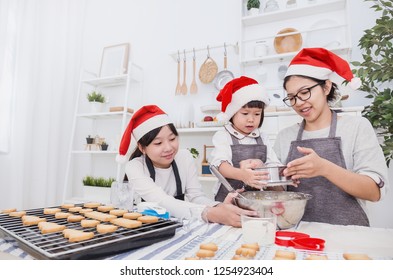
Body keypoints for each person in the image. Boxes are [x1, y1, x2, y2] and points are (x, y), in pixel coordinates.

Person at [273, 48, 389, 226]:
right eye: (291, 97)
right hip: (298, 235)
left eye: (305, 92)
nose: (298, 102)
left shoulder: (357, 127)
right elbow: (279, 193)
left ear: (326, 87)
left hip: (348, 236)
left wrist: (324, 168)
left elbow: (374, 192)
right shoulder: (284, 137)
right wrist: (269, 177)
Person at [116, 105, 255, 227]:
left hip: (175, 226)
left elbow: (196, 197)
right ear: (142, 147)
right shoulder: (134, 167)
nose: (169, 148)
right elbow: (162, 201)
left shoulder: (184, 157)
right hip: (143, 227)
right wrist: (212, 213)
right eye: (158, 143)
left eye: (172, 139)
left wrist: (220, 207)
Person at [209, 76, 284, 202]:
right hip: (228, 198)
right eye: (245, 114)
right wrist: (243, 175)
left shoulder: (262, 137)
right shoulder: (223, 135)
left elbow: (273, 164)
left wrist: (275, 171)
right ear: (232, 113)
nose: (251, 119)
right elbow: (221, 165)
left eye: (257, 114)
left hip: (257, 199)